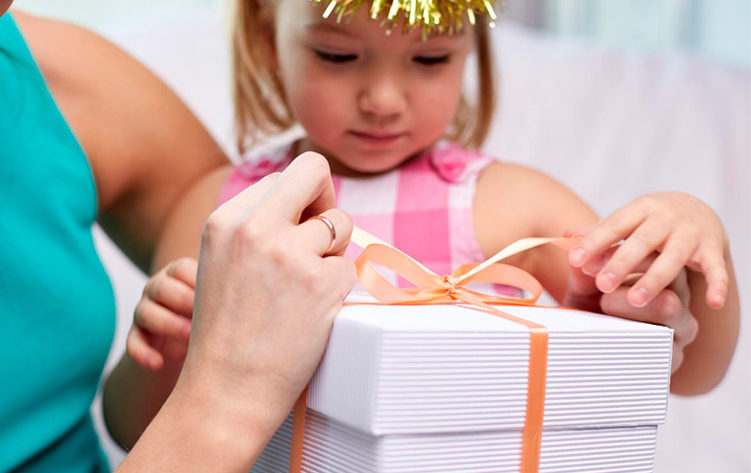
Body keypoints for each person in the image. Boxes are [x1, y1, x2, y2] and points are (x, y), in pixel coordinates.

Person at [123, 1, 741, 450]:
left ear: (471, 47)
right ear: (266, 34)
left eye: (429, 58)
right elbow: (134, 430)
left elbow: (687, 372)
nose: (384, 98)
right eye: (337, 54)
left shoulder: (512, 202)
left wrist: (688, 248)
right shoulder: (228, 212)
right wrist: (171, 351)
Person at [0, 1, 355, 472]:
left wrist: (185, 326)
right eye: (336, 55)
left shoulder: (43, 72)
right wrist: (222, 401)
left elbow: (199, 196)